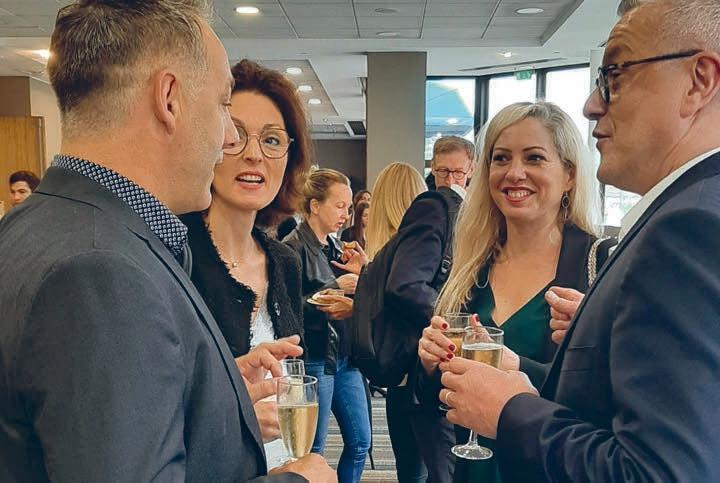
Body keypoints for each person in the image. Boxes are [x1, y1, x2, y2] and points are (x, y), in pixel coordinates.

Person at [0, 1, 335, 481]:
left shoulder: (36, 223)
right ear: (170, 98)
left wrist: (216, 398)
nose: (226, 138)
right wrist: (300, 480)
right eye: (222, 106)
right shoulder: (101, 270)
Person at [438, 1, 720, 481]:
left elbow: (657, 471)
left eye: (615, 75)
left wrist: (510, 410)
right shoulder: (686, 213)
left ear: (698, 82)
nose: (592, 105)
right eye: (500, 158)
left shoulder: (687, 227)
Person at [417, 101, 614, 482]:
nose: (514, 173)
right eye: (501, 158)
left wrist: (519, 369)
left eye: (534, 158)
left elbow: (612, 402)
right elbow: (438, 402)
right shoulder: (471, 265)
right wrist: (429, 363)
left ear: (570, 175)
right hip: (472, 469)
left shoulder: (600, 264)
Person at [180, 59, 312, 467]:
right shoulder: (174, 255)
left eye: (272, 140)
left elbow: (294, 382)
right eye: (235, 135)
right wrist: (233, 416)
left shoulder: (284, 261)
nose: (254, 154)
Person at [283, 168, 371, 483]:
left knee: (361, 442)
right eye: (339, 206)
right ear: (315, 205)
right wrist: (335, 286)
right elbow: (286, 311)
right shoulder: (291, 248)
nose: (346, 215)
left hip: (345, 357)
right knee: (313, 452)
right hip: (315, 359)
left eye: (348, 207)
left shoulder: (335, 247)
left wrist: (362, 273)